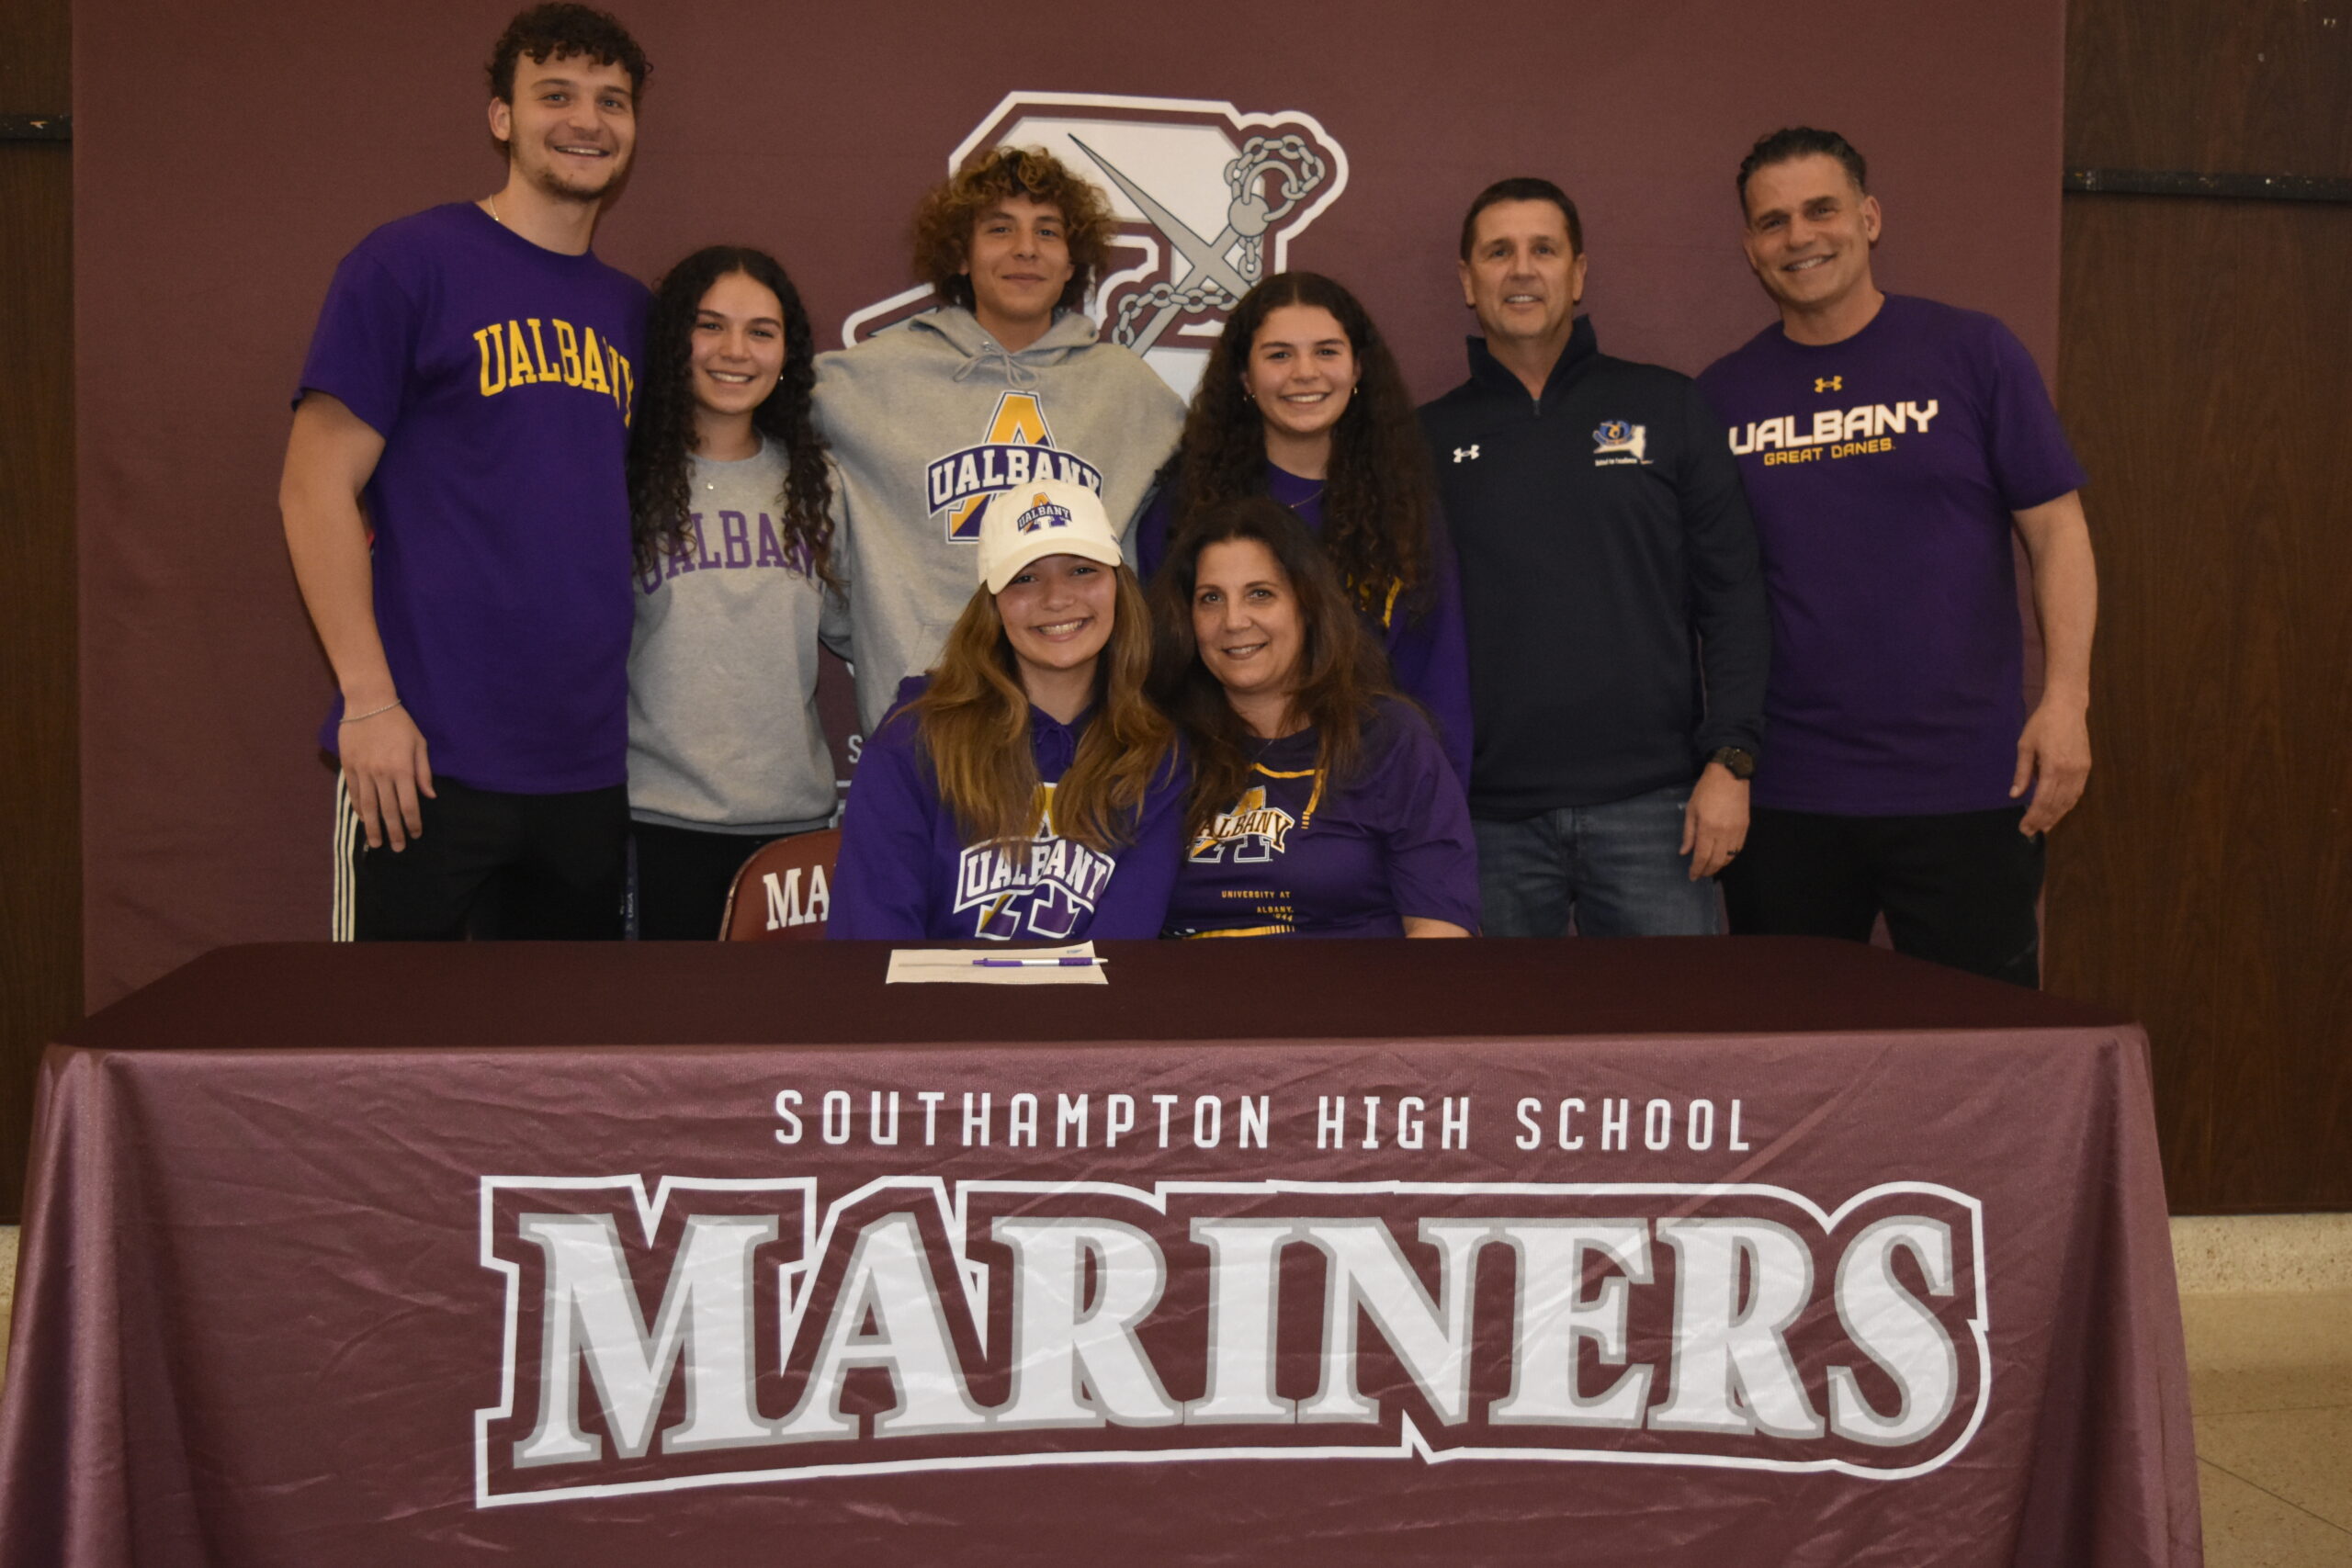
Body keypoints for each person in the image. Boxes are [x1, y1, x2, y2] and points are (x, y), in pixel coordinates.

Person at [279, 4, 652, 941]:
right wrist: (369, 702)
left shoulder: (630, 312)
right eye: (555, 94)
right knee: (396, 1064)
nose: (586, 120)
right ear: (501, 116)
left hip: (587, 768)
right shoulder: (411, 263)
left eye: (612, 101)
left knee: (564, 1070)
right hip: (425, 757)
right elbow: (313, 485)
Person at [1697, 128, 2096, 987]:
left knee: (1982, 1064)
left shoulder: (1972, 352)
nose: (1799, 236)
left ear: (1869, 218)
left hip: (1968, 784)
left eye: (1821, 210)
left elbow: (2057, 531)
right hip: (1788, 795)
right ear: (1750, 248)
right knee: (1793, 1062)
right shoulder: (1721, 395)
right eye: (1773, 222)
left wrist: (2067, 699)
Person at [1420, 177, 1770, 939]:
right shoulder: (1423, 442)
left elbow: (1735, 598)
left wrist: (1732, 759)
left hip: (1658, 812)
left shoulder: (1668, 407)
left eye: (1543, 249)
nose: (1521, 269)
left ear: (1578, 273)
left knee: (1675, 1050)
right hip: (1485, 821)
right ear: (1466, 280)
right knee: (1493, 1054)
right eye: (1498, 252)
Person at [815, 145, 1185, 737]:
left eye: (1047, 231)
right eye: (999, 229)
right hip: (927, 726)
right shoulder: (862, 383)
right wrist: (866, 623)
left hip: (1085, 733)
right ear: (961, 254)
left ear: (1072, 264)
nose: (1025, 249)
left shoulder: (1131, 393)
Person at [1133, 272, 1473, 782]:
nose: (1305, 373)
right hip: (1222, 802)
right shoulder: (1186, 509)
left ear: (1358, 368)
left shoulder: (1403, 508)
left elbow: (1439, 678)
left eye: (1327, 352)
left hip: (1370, 798)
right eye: (1279, 355)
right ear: (1245, 378)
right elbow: (1162, 679)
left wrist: (1440, 811)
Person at [829, 479, 1185, 941]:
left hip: (1091, 1011)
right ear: (993, 604)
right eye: (1025, 577)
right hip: (933, 1010)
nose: (1057, 598)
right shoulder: (914, 738)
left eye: (1082, 570)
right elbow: (870, 938)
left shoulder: (1155, 751)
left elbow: (1125, 947)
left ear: (1118, 584)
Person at [624, 246, 848, 939]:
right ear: (673, 340)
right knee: (660, 1040)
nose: (735, 351)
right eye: (710, 325)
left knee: (781, 1043)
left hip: (792, 829)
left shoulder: (819, 485)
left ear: (787, 352)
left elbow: (859, 628)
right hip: (654, 823)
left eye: (761, 331)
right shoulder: (623, 477)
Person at [1149, 498, 1479, 940]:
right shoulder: (1157, 746)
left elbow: (1442, 927)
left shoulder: (1390, 738)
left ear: (1307, 604)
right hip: (1189, 1002)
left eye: (1260, 594)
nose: (1233, 621)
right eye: (1211, 598)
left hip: (1356, 1002)